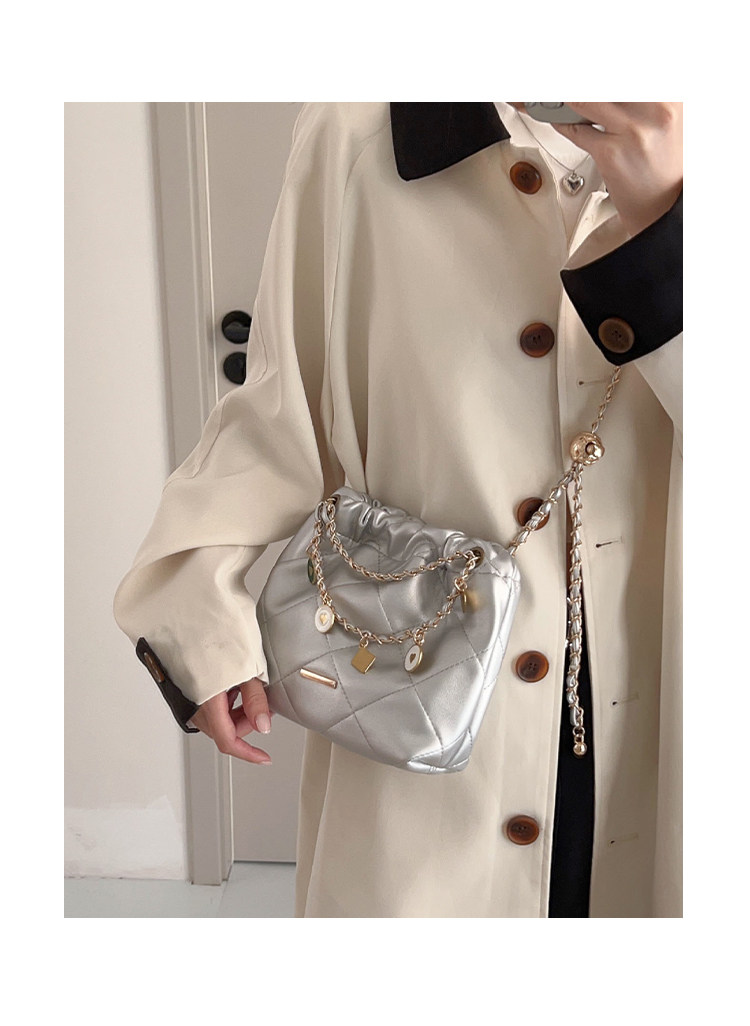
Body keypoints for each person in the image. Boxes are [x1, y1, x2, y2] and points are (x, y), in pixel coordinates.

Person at [113, 102, 683, 918]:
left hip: (666, 722)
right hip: (419, 714)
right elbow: (280, 409)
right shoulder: (359, 128)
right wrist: (195, 603)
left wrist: (667, 218)